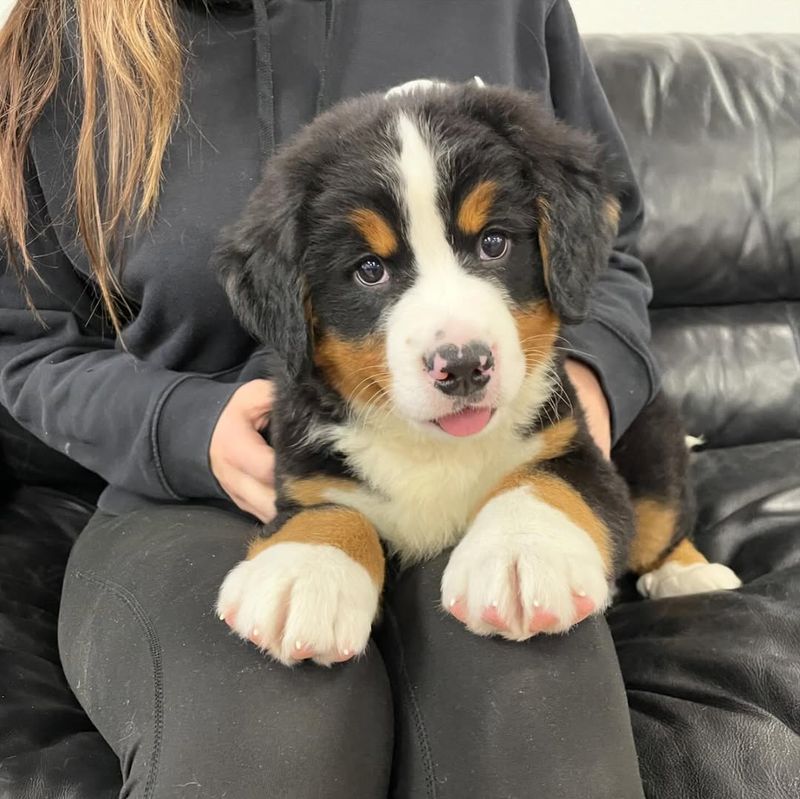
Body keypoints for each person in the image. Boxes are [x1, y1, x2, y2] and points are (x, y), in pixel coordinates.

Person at [0, 1, 656, 796]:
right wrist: (181, 427)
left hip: (495, 468)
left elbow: (608, 248)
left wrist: (567, 412)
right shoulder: (60, 44)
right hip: (197, 501)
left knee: (534, 718)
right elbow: (25, 343)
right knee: (275, 733)